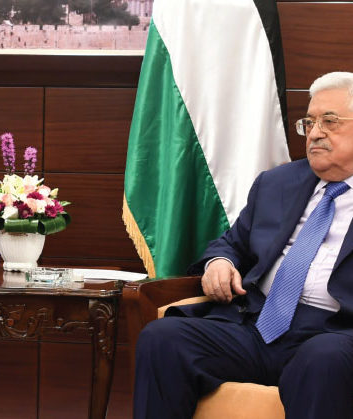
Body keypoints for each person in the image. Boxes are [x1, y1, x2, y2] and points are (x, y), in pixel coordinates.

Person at [134, 71, 353, 419]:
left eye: (330, 122)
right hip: (256, 323)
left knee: (324, 359)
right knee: (164, 338)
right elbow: (230, 244)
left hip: (334, 332)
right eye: (309, 123)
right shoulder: (278, 183)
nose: (314, 133)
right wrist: (219, 262)